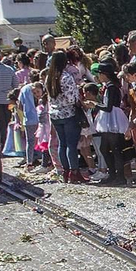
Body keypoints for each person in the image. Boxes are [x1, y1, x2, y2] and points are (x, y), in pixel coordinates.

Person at [45, 50, 85, 183]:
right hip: (68, 113)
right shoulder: (66, 77)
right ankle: (75, 172)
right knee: (71, 145)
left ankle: (65, 172)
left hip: (55, 114)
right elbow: (70, 99)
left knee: (62, 144)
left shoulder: (49, 77)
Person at [18, 70, 43, 169]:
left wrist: (20, 120)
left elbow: (19, 106)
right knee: (43, 139)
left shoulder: (24, 89)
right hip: (42, 118)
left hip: (29, 118)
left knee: (30, 141)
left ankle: (30, 161)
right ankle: (44, 160)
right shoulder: (42, 88)